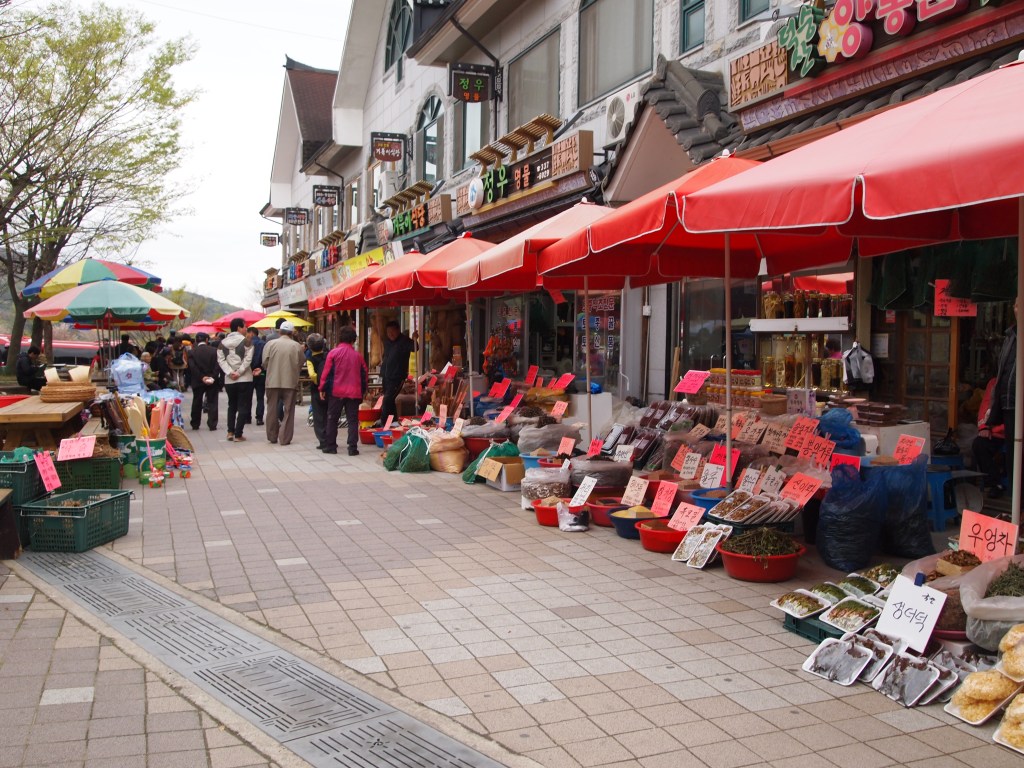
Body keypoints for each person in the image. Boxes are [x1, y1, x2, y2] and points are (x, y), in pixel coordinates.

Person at [320, 325, 366, 456]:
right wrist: (363, 390)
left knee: (332, 418)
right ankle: (352, 447)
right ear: (353, 340)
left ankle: (331, 446)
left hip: (336, 392)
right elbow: (364, 374)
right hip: (354, 392)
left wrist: (322, 388)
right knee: (352, 420)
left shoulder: (333, 353)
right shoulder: (358, 356)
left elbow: (326, 373)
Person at [989, 298, 1019, 493]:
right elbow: (1002, 372)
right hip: (1009, 404)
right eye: (1017, 305)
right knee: (1013, 458)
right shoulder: (1011, 336)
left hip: (1020, 404)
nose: (1019, 309)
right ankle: (1017, 507)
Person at [261, 321, 305, 445]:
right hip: (290, 381)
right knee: (289, 411)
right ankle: (285, 438)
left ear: (279, 331)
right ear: (292, 333)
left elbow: (265, 363)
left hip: (272, 381)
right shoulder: (297, 346)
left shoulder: (270, 344)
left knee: (271, 409)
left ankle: (272, 436)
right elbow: (301, 362)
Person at [218, 318, 254, 442]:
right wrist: (239, 372)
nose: (246, 329)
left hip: (229, 380)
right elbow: (248, 360)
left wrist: (230, 372)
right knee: (243, 406)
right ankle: (238, 434)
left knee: (231, 405)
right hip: (244, 378)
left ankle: (230, 432)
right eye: (245, 327)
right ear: (238, 328)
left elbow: (221, 360)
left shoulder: (222, 343)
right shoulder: (247, 341)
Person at [380, 321, 418, 425]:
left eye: (392, 331)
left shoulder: (404, 341)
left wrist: (415, 339)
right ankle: (393, 422)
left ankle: (384, 424)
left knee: (387, 400)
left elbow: (415, 348)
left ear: (398, 330)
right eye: (388, 332)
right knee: (390, 401)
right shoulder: (387, 341)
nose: (390, 334)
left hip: (397, 377)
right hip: (386, 376)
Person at [974, 377, 1007, 498]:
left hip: (1015, 431)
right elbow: (985, 405)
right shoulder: (994, 382)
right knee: (979, 445)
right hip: (996, 431)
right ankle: (995, 483)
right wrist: (984, 427)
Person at [187, 332, 220, 431]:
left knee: (197, 401)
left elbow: (192, 367)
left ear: (196, 340)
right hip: (212, 380)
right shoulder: (214, 351)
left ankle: (195, 423)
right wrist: (212, 377)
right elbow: (218, 366)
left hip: (197, 380)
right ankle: (212, 424)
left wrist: (202, 377)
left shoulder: (192, 352)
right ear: (207, 340)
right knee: (212, 401)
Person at [304, 333, 329, 450]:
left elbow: (312, 374)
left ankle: (323, 441)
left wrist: (317, 381)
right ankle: (331, 438)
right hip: (329, 388)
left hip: (316, 390)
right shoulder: (328, 356)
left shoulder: (310, 359)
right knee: (329, 415)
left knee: (318, 416)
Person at [248, 326, 266, 425]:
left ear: (251, 333)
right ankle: (259, 418)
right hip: (261, 373)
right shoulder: (264, 344)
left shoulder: (247, 343)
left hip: (249, 373)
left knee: (248, 396)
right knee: (260, 397)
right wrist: (262, 369)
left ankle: (247, 417)